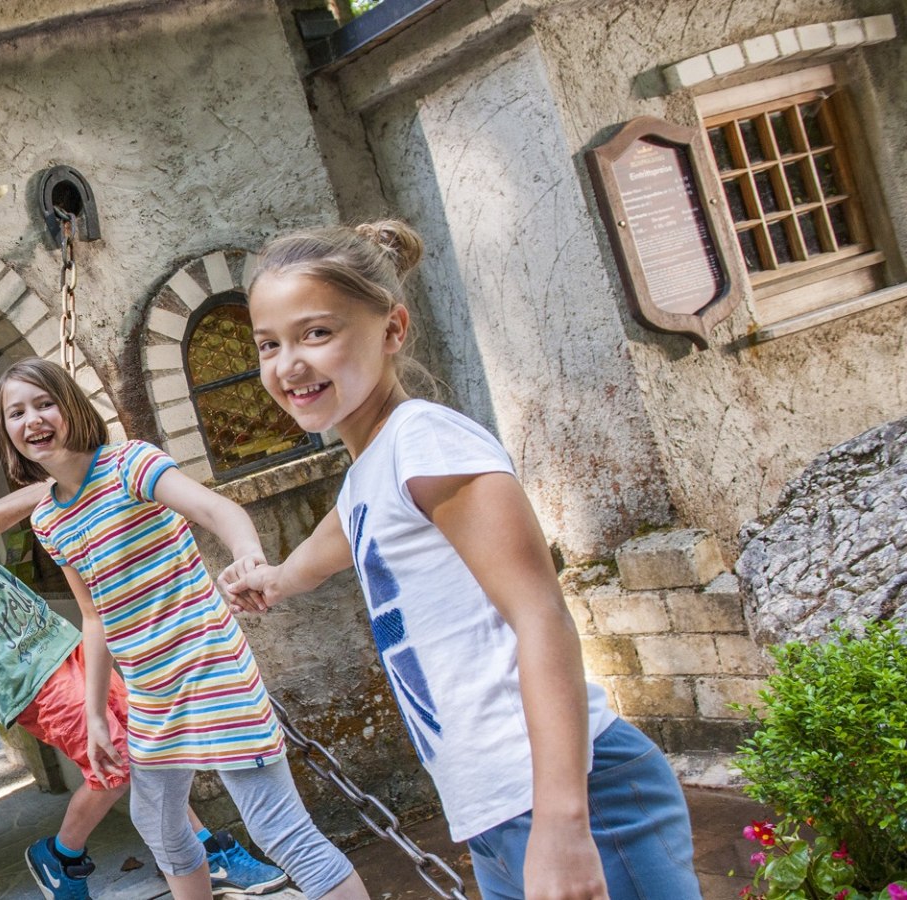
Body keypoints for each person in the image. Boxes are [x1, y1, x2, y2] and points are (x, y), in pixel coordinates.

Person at [220, 220, 697, 900]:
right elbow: (324, 553)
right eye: (269, 344)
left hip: (571, 794)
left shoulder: (427, 444)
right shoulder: (369, 476)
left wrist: (563, 824)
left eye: (316, 333)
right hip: (496, 810)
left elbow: (542, 618)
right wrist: (266, 581)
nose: (288, 364)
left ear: (392, 329)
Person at [0, 451, 292, 899]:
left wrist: (59, 482)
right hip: (22, 672)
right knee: (117, 760)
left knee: (148, 742)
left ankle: (203, 850)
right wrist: (62, 483)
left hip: (62, 642)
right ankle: (62, 855)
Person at [0, 358, 369, 900]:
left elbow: (218, 511)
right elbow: (95, 618)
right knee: (161, 827)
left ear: (70, 405)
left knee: (279, 831)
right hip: (151, 694)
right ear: (6, 432)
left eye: (43, 403)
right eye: (16, 412)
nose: (32, 420)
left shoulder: (130, 465)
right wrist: (97, 715)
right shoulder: (49, 520)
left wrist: (248, 558)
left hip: (210, 670)